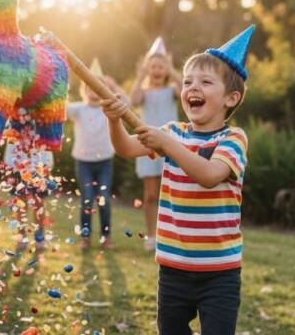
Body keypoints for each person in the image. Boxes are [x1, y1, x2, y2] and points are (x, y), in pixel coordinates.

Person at [102, 26, 254, 335]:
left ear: (231, 98)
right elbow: (125, 148)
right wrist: (114, 120)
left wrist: (167, 144)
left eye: (205, 82)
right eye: (187, 82)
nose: (191, 87)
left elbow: (210, 175)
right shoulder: (173, 132)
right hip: (172, 268)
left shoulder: (233, 138)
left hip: (220, 272)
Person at [129, 38, 181, 250]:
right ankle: (152, 236)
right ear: (148, 69)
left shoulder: (172, 91)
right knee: (150, 195)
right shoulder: (144, 93)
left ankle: (172, 236)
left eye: (161, 66)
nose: (158, 70)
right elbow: (132, 100)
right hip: (148, 146)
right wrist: (141, 75)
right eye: (154, 66)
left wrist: (172, 69)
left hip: (171, 144)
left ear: (166, 69)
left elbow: (185, 90)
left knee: (174, 194)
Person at [67, 59, 122, 250]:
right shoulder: (78, 109)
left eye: (97, 88)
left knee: (104, 198)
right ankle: (86, 236)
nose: (93, 92)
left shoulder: (108, 108)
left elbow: (127, 102)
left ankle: (106, 237)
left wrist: (113, 85)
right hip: (84, 163)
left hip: (104, 161)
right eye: (89, 87)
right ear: (84, 90)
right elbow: (62, 108)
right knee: (87, 199)